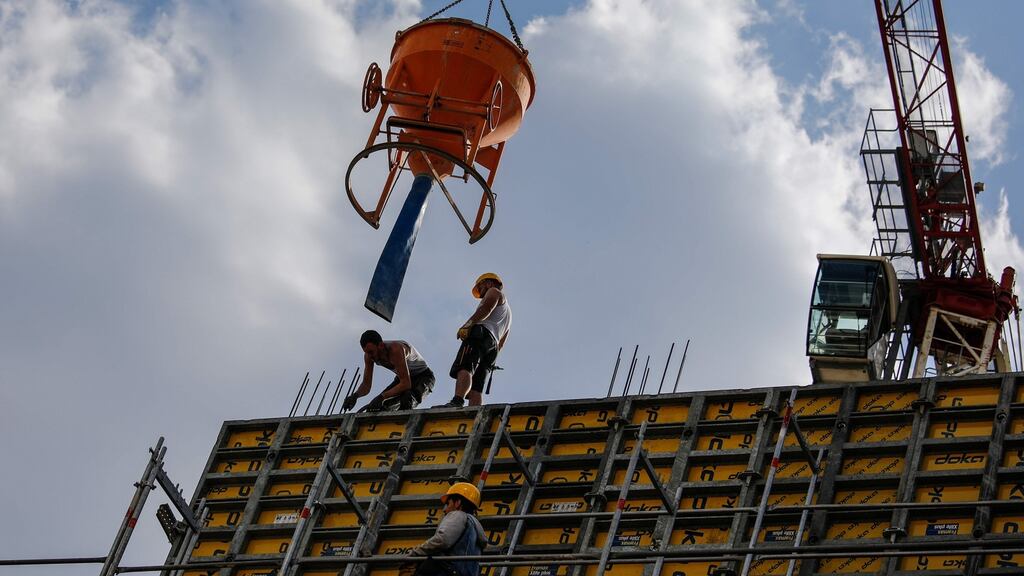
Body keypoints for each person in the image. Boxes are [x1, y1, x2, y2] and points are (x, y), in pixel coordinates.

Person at [441, 273, 511, 408]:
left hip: (480, 335)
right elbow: (502, 341)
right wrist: (491, 358)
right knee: (477, 386)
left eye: (480, 287)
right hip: (493, 346)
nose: (480, 292)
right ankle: (474, 413)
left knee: (465, 367)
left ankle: (457, 401)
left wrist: (468, 325)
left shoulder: (494, 291)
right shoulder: (508, 313)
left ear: (489, 282)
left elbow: (487, 308)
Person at [342, 330, 435, 412]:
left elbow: (406, 384)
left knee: (407, 399)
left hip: (423, 377)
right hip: (402, 378)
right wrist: (355, 396)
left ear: (381, 345)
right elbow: (366, 385)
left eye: (371, 352)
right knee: (378, 407)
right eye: (366, 352)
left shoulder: (395, 349)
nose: (370, 356)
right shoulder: (368, 356)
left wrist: (382, 397)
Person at [406, 483, 487, 576]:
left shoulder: (458, 515)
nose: (445, 510)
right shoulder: (476, 528)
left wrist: (415, 553)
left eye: (448, 503)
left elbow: (442, 540)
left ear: (458, 503)